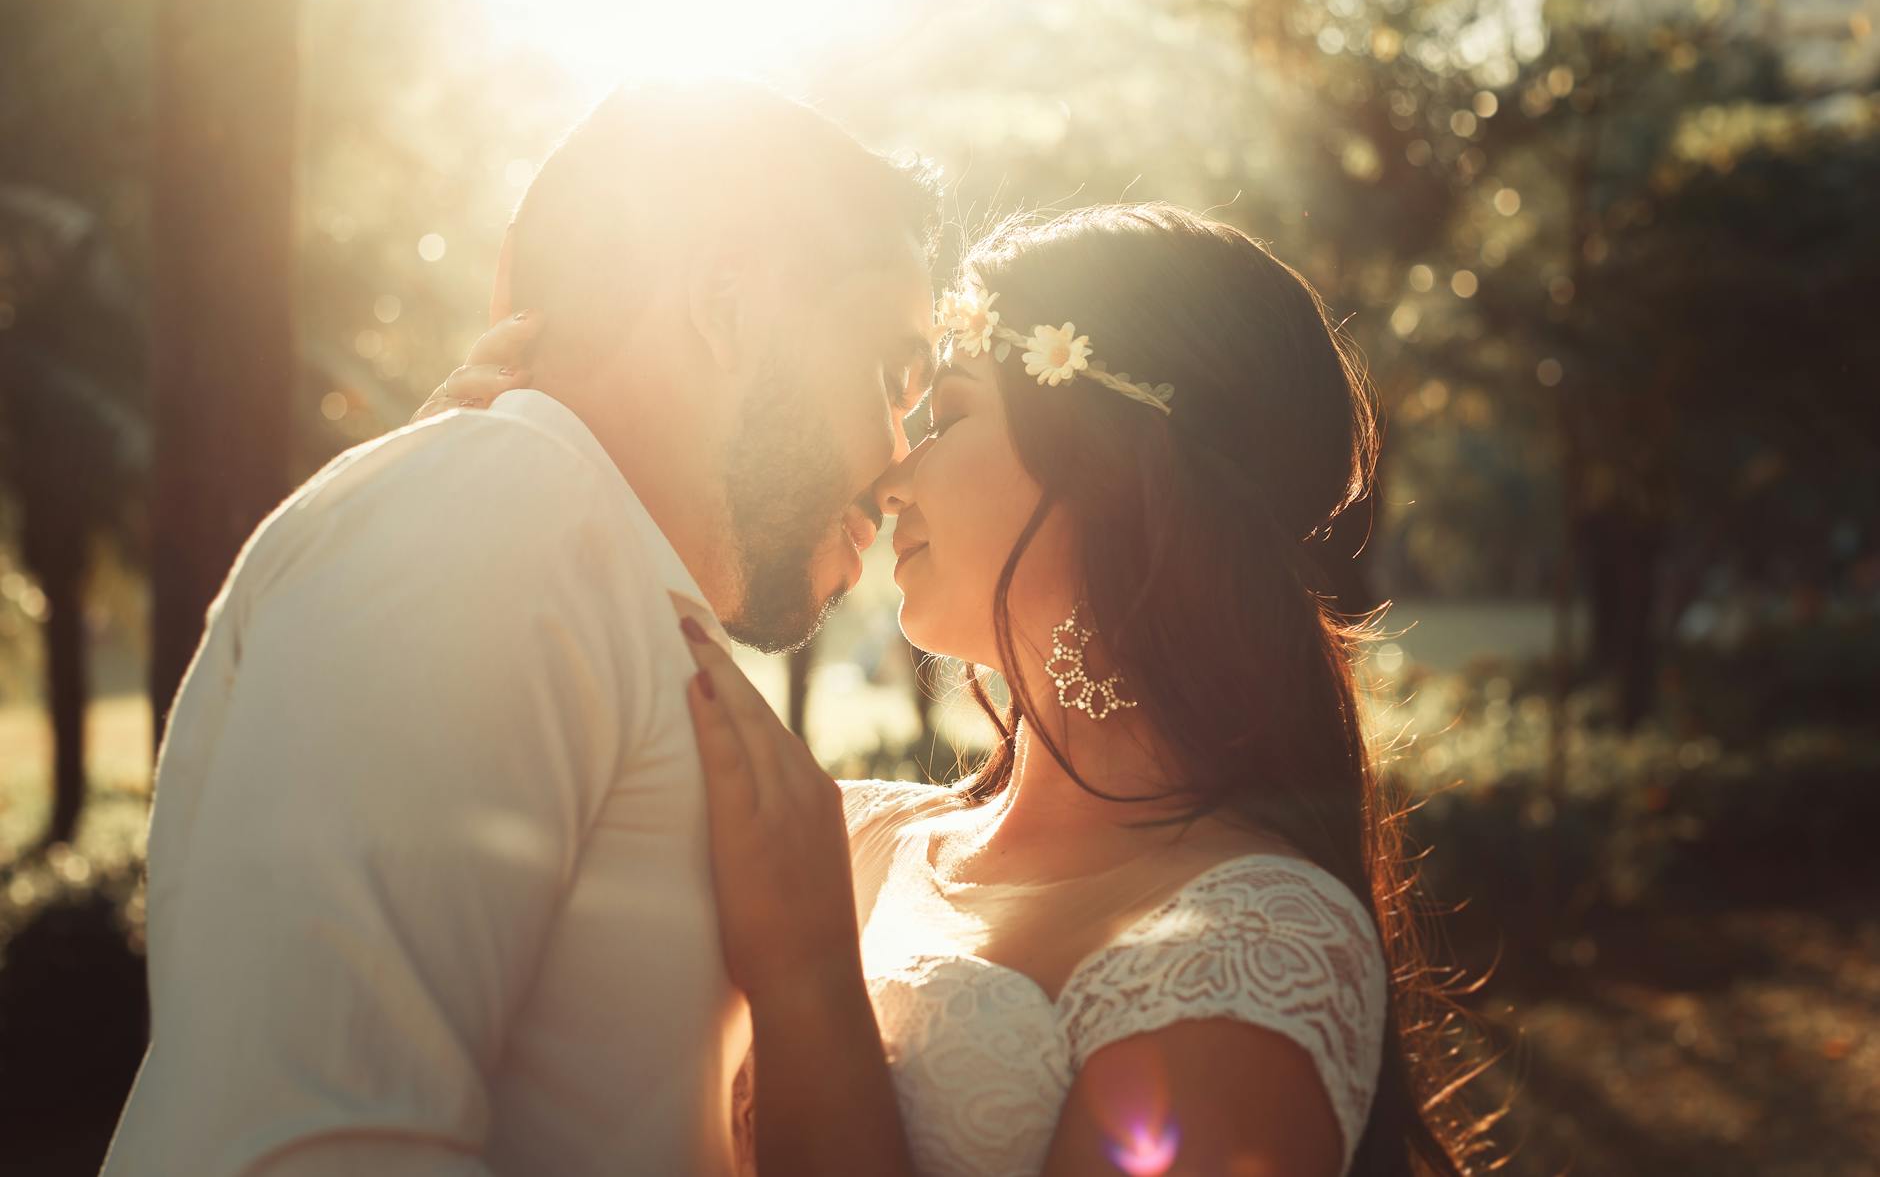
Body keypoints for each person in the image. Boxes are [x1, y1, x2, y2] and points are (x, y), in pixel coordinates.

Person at [445, 202, 1497, 1176]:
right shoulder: (841, 839)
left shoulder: (1255, 942)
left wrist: (811, 977)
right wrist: (470, 488)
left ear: (1110, 467)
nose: (891, 473)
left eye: (946, 415)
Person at [99, 80, 941, 1176]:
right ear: (728, 306)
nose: (902, 456)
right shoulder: (493, 513)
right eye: (895, 375)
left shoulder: (556, 549)